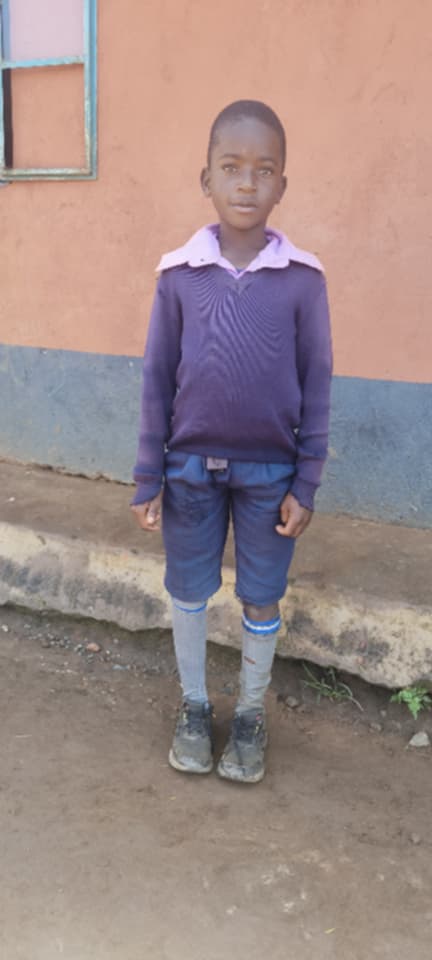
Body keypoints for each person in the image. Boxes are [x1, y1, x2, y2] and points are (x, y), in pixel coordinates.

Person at [131, 100, 332, 784]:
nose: (247, 183)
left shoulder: (303, 279)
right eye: (231, 167)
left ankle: (248, 714)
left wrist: (306, 482)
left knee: (261, 595)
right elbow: (157, 377)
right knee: (188, 590)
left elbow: (318, 382)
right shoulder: (178, 274)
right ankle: (194, 707)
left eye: (264, 170)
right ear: (206, 180)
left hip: (271, 475)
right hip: (188, 469)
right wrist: (148, 475)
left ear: (282, 185)